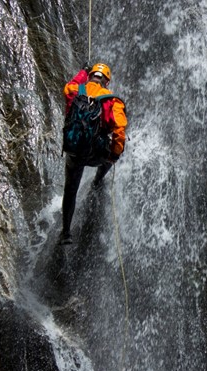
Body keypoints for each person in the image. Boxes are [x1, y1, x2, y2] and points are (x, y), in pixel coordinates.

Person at [59, 62, 127, 245]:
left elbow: (70, 85)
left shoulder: (74, 90)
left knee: (70, 190)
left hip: (75, 151)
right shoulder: (112, 100)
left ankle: (66, 233)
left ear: (90, 77)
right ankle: (98, 180)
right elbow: (119, 130)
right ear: (106, 81)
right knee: (109, 157)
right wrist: (115, 154)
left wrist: (83, 71)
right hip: (95, 153)